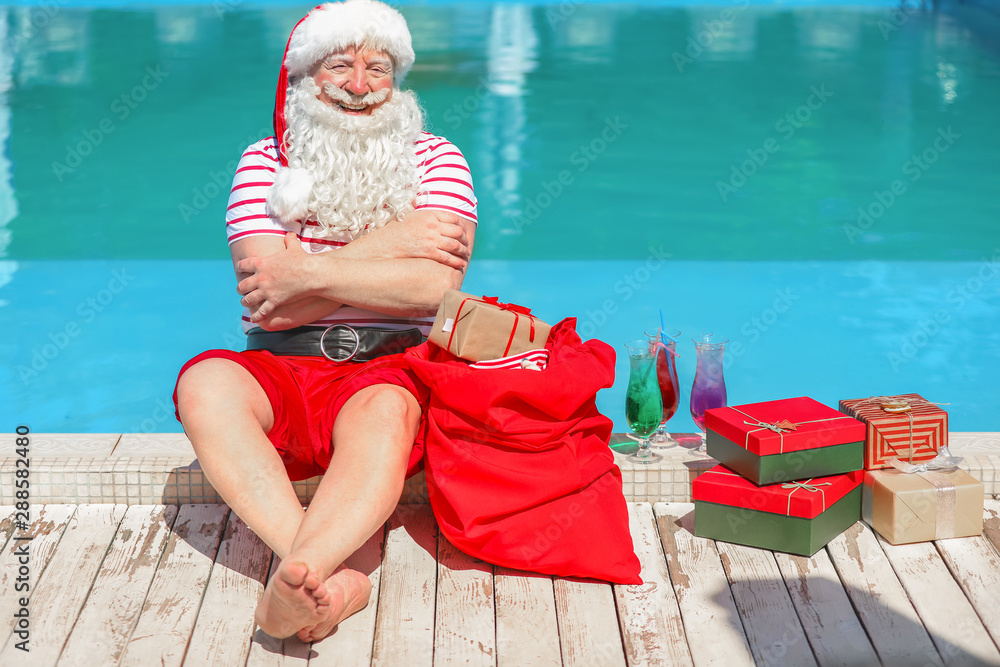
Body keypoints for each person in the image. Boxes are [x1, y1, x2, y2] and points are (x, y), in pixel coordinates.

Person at [172, 0, 477, 642]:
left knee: (386, 413)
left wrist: (305, 272)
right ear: (308, 74)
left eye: (378, 68)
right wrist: (399, 242)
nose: (361, 87)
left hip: (388, 367)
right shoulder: (263, 162)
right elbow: (267, 302)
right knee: (205, 384)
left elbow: (435, 286)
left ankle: (308, 577)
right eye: (341, 65)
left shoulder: (439, 159)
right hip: (280, 362)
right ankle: (322, 577)